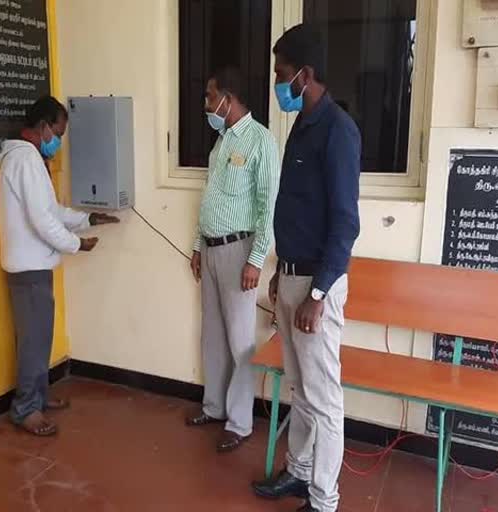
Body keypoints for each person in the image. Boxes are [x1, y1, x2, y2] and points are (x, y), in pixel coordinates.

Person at [251, 25, 361, 512]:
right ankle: (298, 473)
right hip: (293, 275)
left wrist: (317, 296)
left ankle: (324, 499)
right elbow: (297, 208)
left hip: (318, 283)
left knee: (323, 399)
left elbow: (344, 223)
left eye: (281, 74)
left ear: (305, 75)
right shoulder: (304, 122)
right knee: (300, 388)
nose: (278, 84)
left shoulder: (338, 130)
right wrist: (280, 271)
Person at [0, 95, 119, 437]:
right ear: (44, 126)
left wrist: (88, 219)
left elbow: (53, 212)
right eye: (59, 133)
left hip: (34, 266)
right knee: (33, 342)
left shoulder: (30, 160)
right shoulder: (23, 161)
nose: (59, 142)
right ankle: (25, 409)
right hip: (28, 268)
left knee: (39, 339)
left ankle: (39, 397)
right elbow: (41, 221)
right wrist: (76, 244)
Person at [185, 67, 280, 452]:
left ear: (229, 98)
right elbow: (210, 198)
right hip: (209, 249)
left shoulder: (261, 142)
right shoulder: (220, 141)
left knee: (240, 339)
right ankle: (214, 406)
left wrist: (256, 260)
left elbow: (267, 208)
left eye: (210, 97)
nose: (207, 105)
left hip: (240, 252)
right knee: (213, 333)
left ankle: (239, 424)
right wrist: (196, 245)